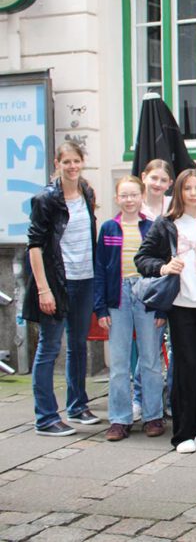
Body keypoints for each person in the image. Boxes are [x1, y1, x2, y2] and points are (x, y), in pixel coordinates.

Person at [135, 169, 196, 454]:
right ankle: (183, 432)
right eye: (187, 188)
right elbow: (142, 258)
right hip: (181, 306)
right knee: (185, 368)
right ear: (179, 192)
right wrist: (164, 267)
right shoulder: (166, 224)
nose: (193, 193)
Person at [25, 142, 100, 436]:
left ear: (82, 162)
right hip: (57, 282)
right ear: (57, 163)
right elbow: (34, 246)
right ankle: (45, 418)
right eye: (66, 162)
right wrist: (43, 289)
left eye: (76, 161)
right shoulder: (45, 199)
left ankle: (77, 405)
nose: (72, 166)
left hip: (85, 278)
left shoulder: (87, 192)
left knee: (78, 344)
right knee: (49, 347)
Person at [94, 175, 164, 441]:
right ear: (117, 198)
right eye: (124, 195)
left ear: (142, 196)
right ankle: (119, 419)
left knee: (150, 359)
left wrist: (162, 308)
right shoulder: (109, 228)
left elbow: (162, 268)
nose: (129, 200)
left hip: (146, 294)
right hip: (118, 296)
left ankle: (153, 416)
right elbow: (100, 269)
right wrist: (100, 308)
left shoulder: (153, 227)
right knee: (119, 362)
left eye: (134, 194)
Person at [137, 158, 175, 420]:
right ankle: (140, 397)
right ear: (144, 177)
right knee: (148, 348)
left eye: (163, 180)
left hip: (172, 285)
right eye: (154, 178)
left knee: (175, 347)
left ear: (170, 183)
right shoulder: (133, 204)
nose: (158, 184)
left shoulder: (174, 207)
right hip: (146, 286)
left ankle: (172, 397)